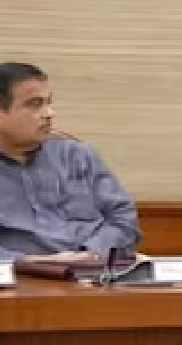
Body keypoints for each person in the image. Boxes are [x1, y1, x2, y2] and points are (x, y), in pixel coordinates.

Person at [0, 62, 141, 262]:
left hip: (94, 270)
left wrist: (90, 254)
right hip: (20, 275)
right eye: (35, 104)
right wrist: (30, 263)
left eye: (49, 103)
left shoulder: (77, 156)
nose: (49, 113)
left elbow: (124, 219)